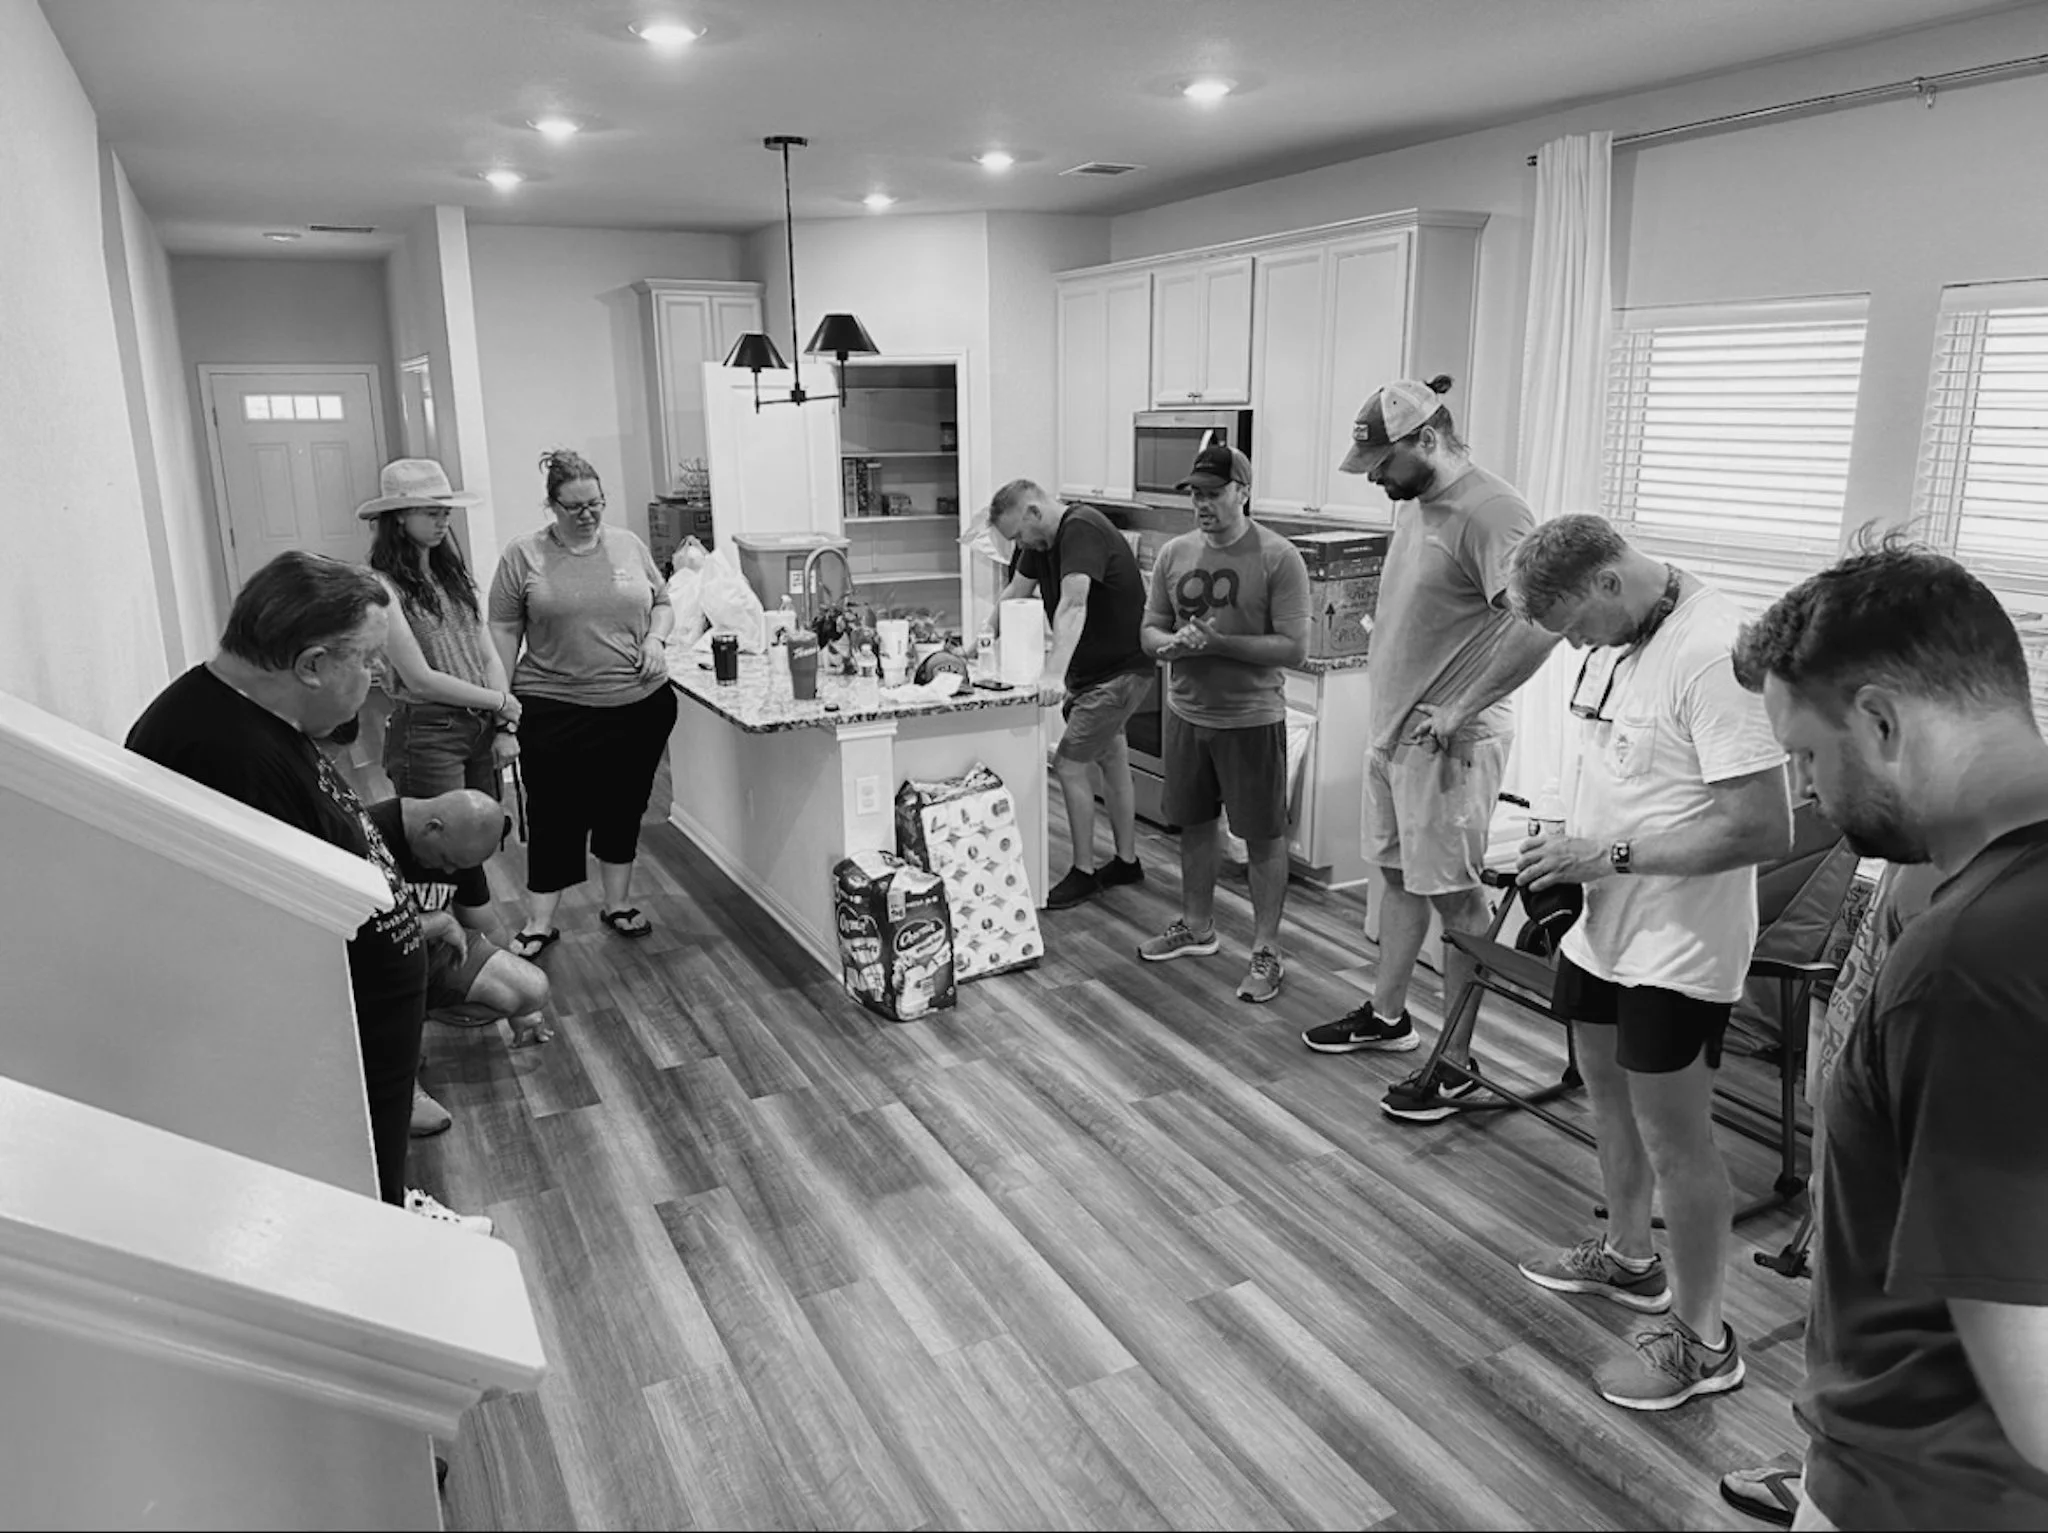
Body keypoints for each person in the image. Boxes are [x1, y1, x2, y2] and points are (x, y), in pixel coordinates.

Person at [1732, 538, 2048, 1531]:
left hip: (1925, 1491)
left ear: (1877, 721)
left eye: (1806, 757)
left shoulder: (1973, 964)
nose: (1803, 792)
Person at [1505, 514, 1793, 1411]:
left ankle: (1706, 1339)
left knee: (1679, 1140)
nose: (1570, 644)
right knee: (1603, 1092)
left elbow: (1761, 826)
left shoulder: (1714, 652)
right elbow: (1608, 770)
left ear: (1605, 583)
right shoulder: (1618, 637)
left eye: (1573, 624)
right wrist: (1557, 844)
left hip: (1678, 940)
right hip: (1602, 923)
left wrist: (1612, 856)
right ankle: (1630, 1257)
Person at [125, 550, 490, 1234]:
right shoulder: (216, 748)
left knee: (373, 1181)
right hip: (317, 1043)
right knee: (346, 1208)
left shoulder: (257, 719)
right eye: (369, 659)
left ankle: (391, 1214)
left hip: (362, 1027)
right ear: (313, 663)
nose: (379, 677)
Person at [1299, 375, 1559, 1124]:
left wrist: (1459, 707)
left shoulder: (1494, 512)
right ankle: (1389, 1016)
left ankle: (1457, 1060)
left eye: (1382, 460)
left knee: (1456, 897)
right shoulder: (1418, 504)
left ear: (1428, 440)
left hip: (1452, 742)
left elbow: (1538, 623)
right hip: (1397, 736)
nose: (1374, 475)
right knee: (1396, 877)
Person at [1717, 857, 1940, 1525]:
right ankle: (1827, 1468)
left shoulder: (1976, 857)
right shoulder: (1908, 845)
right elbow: (1846, 984)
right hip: (1858, 1120)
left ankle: (1845, 1480)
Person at [1136, 442, 1310, 1003]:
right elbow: (1150, 631)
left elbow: (1293, 649)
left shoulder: (1278, 557)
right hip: (1187, 712)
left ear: (1243, 491)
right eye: (1195, 494)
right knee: (1193, 824)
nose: (1202, 504)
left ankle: (1266, 949)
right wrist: (1172, 648)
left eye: (1214, 493)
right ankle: (1197, 927)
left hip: (1251, 718)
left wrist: (1222, 643)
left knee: (1262, 835)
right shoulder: (1174, 554)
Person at [488, 448, 677, 957]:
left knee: (624, 806)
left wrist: (656, 640)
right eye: (574, 507)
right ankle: (540, 920)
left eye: (596, 503)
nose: (588, 514)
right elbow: (503, 631)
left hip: (637, 704)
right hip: (554, 705)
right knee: (555, 812)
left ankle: (617, 904)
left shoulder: (628, 545)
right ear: (551, 506)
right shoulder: (523, 555)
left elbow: (662, 602)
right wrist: (502, 711)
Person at [360, 457, 520, 935]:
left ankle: (472, 952)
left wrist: (503, 718)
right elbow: (419, 677)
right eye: (429, 511)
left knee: (472, 844)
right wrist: (499, 704)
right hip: (429, 730)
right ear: (397, 519)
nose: (442, 519)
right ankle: (454, 955)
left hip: (477, 725)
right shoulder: (381, 587)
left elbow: (488, 653)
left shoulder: (454, 576)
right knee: (438, 854)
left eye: (444, 510)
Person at [988, 479, 1149, 909]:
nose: (1019, 545)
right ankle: (1127, 862)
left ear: (1034, 512)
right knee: (1112, 758)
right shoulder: (1037, 546)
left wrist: (1054, 673)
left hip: (1120, 671)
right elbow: (1015, 594)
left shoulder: (1082, 528)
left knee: (1070, 765)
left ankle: (1084, 873)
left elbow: (1074, 603)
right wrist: (981, 640)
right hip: (1092, 672)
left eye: (1018, 534)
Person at [365, 789, 553, 1049]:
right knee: (396, 1064)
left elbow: (486, 926)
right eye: (446, 860)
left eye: (459, 865)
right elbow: (357, 930)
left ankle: (418, 1014)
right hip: (373, 965)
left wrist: (518, 1009)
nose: (450, 871)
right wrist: (438, 923)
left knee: (532, 990)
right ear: (433, 828)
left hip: (427, 955)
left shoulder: (459, 846)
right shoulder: (365, 834)